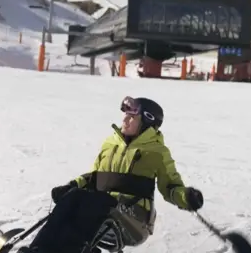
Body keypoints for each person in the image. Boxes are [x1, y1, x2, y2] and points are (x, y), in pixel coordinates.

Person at [18, 96, 204, 253]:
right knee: (73, 198)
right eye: (125, 115)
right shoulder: (110, 143)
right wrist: (72, 186)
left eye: (132, 117)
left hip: (135, 219)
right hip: (103, 209)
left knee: (98, 201)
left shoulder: (157, 151)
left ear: (147, 122)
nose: (125, 120)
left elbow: (170, 186)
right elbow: (95, 177)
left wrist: (186, 197)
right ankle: (39, 248)